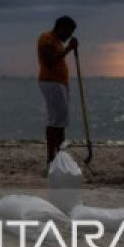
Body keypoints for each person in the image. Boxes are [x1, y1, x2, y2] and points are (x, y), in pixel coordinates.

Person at [37, 15, 78, 165]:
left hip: (60, 83)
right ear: (61, 28)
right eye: (69, 32)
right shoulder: (47, 39)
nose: (69, 35)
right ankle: (51, 157)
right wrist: (68, 49)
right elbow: (50, 62)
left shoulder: (57, 42)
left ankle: (60, 154)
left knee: (60, 121)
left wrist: (67, 48)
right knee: (55, 121)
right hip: (51, 83)